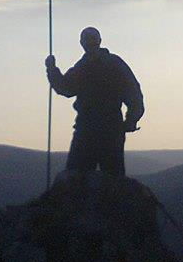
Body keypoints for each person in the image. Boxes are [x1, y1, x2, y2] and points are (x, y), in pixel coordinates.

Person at [45, 27, 144, 177]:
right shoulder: (112, 64)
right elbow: (134, 94)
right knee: (112, 179)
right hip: (108, 128)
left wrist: (52, 70)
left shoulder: (85, 67)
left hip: (90, 128)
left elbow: (65, 88)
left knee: (77, 178)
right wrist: (130, 120)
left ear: (82, 43)